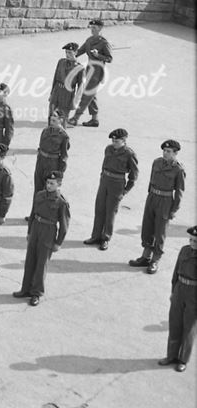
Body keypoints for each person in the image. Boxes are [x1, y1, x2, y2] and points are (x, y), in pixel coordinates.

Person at [14, 171, 70, 306]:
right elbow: (33, 214)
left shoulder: (61, 202)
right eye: (48, 183)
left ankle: (36, 293)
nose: (49, 185)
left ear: (59, 184)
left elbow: (64, 224)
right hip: (36, 228)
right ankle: (25, 289)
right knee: (30, 260)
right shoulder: (39, 195)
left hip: (48, 231)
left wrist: (58, 242)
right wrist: (29, 232)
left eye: (52, 183)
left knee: (41, 263)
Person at [132, 139, 186, 274]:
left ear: (175, 153)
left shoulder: (178, 169)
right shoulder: (156, 162)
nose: (165, 153)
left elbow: (179, 191)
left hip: (165, 201)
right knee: (147, 227)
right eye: (164, 150)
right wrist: (149, 196)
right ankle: (145, 256)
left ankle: (155, 260)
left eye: (168, 151)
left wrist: (174, 210)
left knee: (159, 232)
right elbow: (151, 180)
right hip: (152, 198)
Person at [84, 128, 138, 250]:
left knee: (110, 212)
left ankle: (105, 238)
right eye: (113, 140)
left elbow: (133, 175)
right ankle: (95, 236)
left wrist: (125, 190)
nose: (114, 143)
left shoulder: (129, 154)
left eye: (116, 141)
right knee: (99, 209)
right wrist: (102, 178)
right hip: (104, 181)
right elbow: (104, 165)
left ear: (124, 140)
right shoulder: (108, 149)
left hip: (117, 183)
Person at [158, 225, 197, 372]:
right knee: (175, 324)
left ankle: (183, 359)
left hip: (194, 294)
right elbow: (175, 272)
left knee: (189, 328)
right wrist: (173, 291)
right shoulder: (184, 250)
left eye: (195, 241)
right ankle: (171, 356)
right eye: (191, 239)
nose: (192, 243)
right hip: (180, 288)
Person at [68, 19, 112, 127]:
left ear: (100, 28)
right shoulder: (89, 40)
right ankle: (94, 119)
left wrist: (98, 56)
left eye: (95, 28)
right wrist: (72, 54)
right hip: (89, 69)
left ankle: (75, 118)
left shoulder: (104, 43)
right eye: (91, 28)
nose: (92, 30)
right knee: (91, 94)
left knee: (87, 94)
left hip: (97, 71)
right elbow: (81, 51)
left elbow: (109, 58)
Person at [30, 111, 70, 212]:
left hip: (52, 163)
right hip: (41, 162)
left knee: (47, 189)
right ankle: (34, 213)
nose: (51, 122)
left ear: (60, 120)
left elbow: (64, 155)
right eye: (51, 119)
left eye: (54, 120)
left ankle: (43, 212)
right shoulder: (45, 131)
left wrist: (60, 172)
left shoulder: (63, 136)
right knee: (37, 189)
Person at [48, 42, 83, 124]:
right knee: (51, 116)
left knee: (62, 118)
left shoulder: (79, 68)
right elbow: (55, 78)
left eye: (70, 53)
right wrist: (51, 93)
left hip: (67, 94)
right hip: (56, 91)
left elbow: (81, 87)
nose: (67, 55)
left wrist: (75, 102)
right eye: (66, 52)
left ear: (76, 52)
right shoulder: (61, 62)